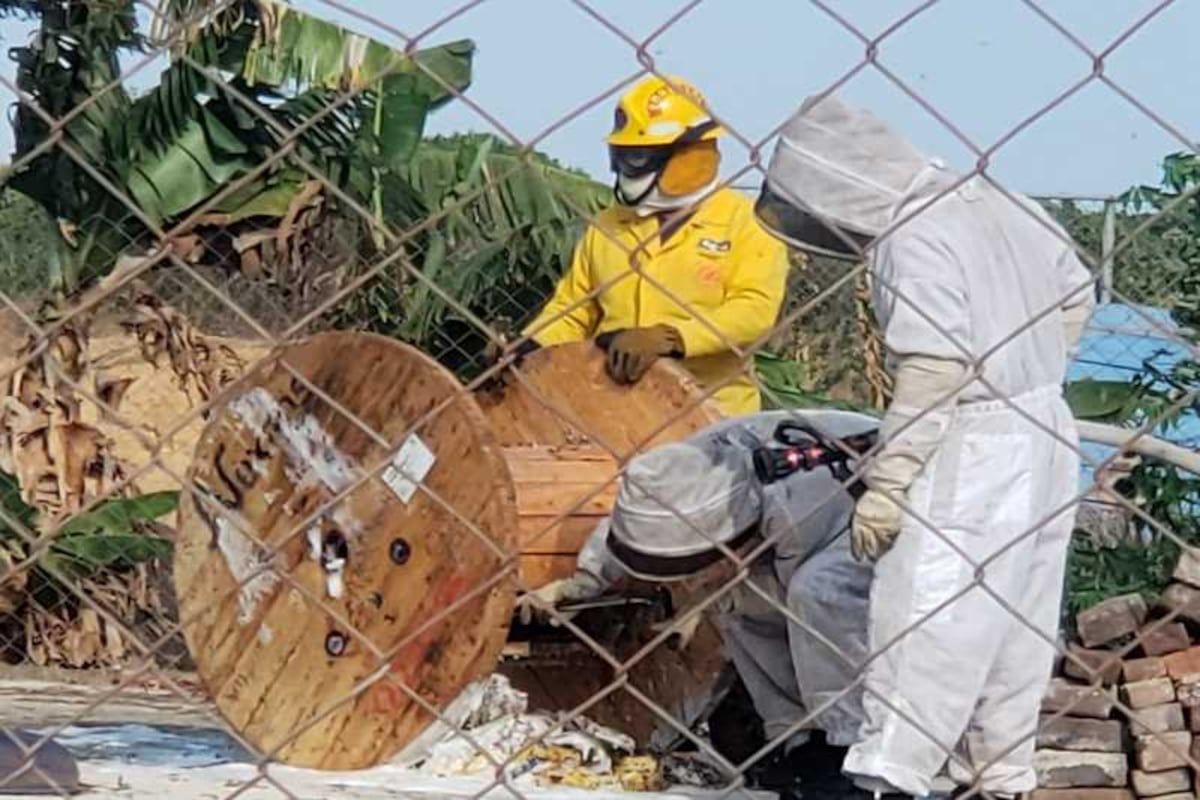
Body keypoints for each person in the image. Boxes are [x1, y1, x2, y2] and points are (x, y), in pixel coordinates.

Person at [752, 94, 1096, 797]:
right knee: (1015, 618)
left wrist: (890, 485)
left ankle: (887, 780)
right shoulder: (996, 199)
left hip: (972, 445)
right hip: (1045, 430)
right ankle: (998, 778)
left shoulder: (911, 236)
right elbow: (1077, 292)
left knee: (924, 613)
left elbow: (935, 367)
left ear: (833, 184)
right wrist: (1028, 374)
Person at [524, 409, 882, 797]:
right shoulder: (675, 478)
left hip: (868, 507)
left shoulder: (788, 503)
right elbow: (630, 523)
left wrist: (698, 600)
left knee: (816, 594)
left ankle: (850, 749)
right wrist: (581, 583)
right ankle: (796, 741)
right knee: (737, 603)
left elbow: (801, 615)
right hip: (788, 517)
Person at [491, 75, 789, 416]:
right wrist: (529, 346)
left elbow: (754, 310)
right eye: (623, 155)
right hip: (615, 412)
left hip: (713, 414)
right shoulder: (609, 225)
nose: (624, 169)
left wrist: (672, 339)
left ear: (690, 154)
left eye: (638, 157)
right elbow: (575, 308)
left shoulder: (748, 222)